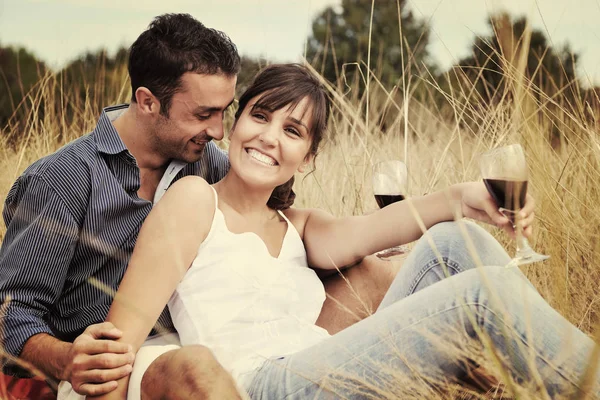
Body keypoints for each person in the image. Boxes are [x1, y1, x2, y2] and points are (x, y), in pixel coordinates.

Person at [101, 62, 600, 400]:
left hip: (322, 364)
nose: (269, 138)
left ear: (308, 158)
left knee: (455, 243)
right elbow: (118, 341)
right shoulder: (195, 201)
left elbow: (379, 229)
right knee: (473, 299)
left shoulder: (297, 225)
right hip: (258, 385)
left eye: (293, 132)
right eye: (260, 116)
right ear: (235, 124)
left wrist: (463, 198)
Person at [0, 13, 396, 400]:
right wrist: (67, 358)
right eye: (203, 114)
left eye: (224, 112)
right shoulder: (60, 181)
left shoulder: (211, 161)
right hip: (116, 371)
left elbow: (274, 231)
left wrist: (369, 239)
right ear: (148, 102)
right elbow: (9, 315)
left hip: (220, 350)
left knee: (372, 273)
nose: (219, 131)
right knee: (194, 367)